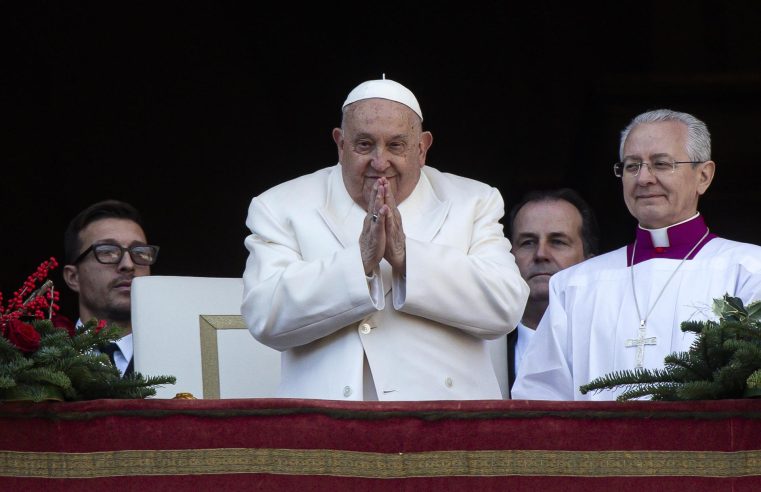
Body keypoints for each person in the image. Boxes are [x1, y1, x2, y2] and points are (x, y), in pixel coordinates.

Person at [241, 77, 529, 401]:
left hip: (447, 421)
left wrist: (407, 257)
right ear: (340, 144)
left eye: (396, 145)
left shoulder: (473, 201)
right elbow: (265, 315)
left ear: (422, 148)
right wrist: (360, 263)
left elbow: (506, 305)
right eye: (364, 145)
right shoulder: (281, 205)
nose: (380, 163)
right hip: (329, 423)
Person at [512, 109, 761, 401]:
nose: (643, 178)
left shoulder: (749, 270)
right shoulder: (574, 285)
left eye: (661, 164)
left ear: (703, 176)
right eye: (632, 166)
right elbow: (541, 398)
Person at [503, 188, 598, 397]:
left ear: (590, 263)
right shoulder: (483, 347)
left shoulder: (606, 343)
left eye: (558, 242)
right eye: (527, 242)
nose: (541, 254)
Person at [62, 199, 159, 377]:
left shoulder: (182, 354)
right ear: (73, 277)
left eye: (140, 252)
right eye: (107, 251)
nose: (128, 265)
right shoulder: (37, 362)